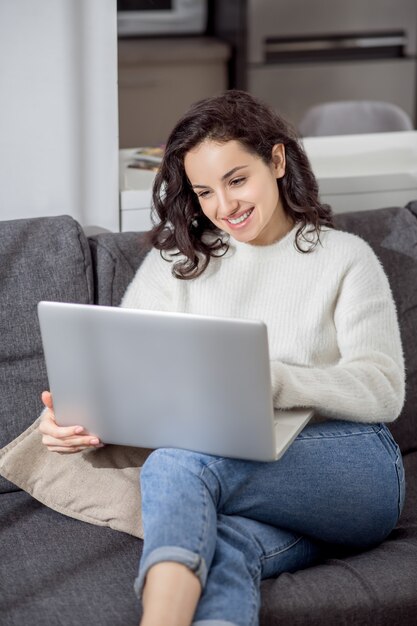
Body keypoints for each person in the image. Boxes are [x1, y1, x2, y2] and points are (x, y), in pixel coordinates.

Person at [39, 90, 406, 626]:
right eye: (205, 191)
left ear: (276, 161)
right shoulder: (177, 264)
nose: (224, 207)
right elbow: (127, 374)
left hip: (353, 469)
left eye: (237, 180)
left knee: (177, 461)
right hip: (243, 480)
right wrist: (83, 419)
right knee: (223, 547)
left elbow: (383, 388)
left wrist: (272, 381)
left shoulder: (344, 258)